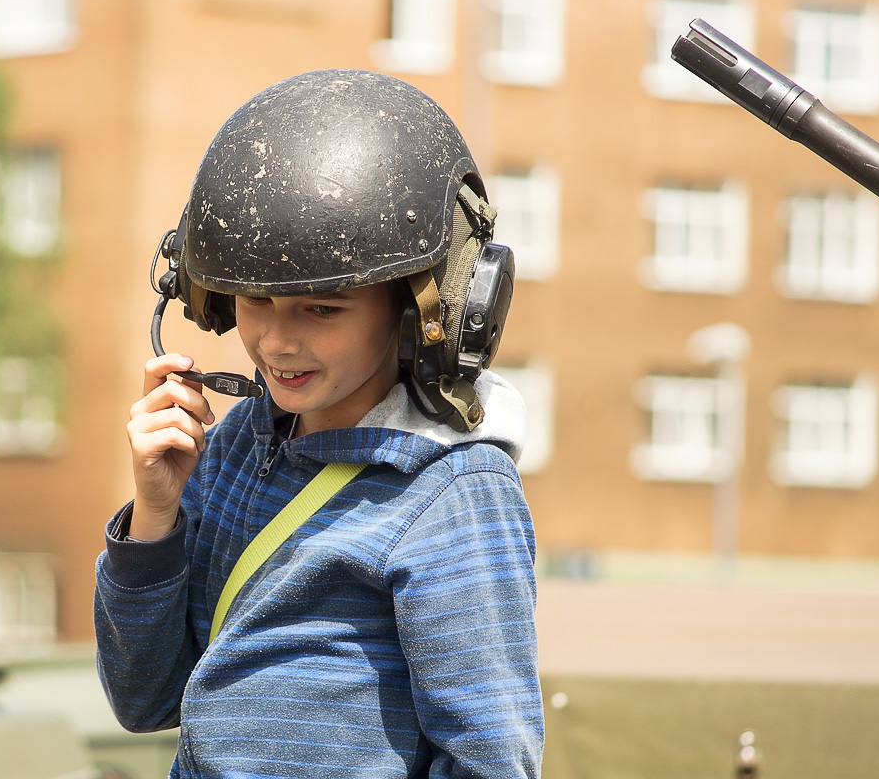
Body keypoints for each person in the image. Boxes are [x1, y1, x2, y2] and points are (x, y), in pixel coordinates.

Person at [94, 69, 543, 779]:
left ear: (421, 313)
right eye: (255, 301)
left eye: (322, 309)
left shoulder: (454, 492)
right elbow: (142, 699)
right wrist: (155, 515)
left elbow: (489, 761)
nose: (275, 341)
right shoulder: (239, 443)